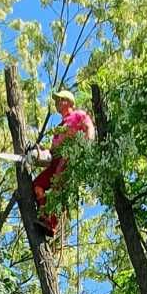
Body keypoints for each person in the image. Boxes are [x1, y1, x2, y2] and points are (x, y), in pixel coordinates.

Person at [31, 90, 93, 243]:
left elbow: (89, 129)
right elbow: (52, 150)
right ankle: (44, 215)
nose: (58, 103)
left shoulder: (79, 115)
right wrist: (41, 152)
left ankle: (50, 223)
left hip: (70, 156)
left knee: (58, 187)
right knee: (37, 186)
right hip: (56, 159)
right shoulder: (59, 126)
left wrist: (85, 148)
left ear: (68, 101)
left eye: (60, 100)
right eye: (57, 100)